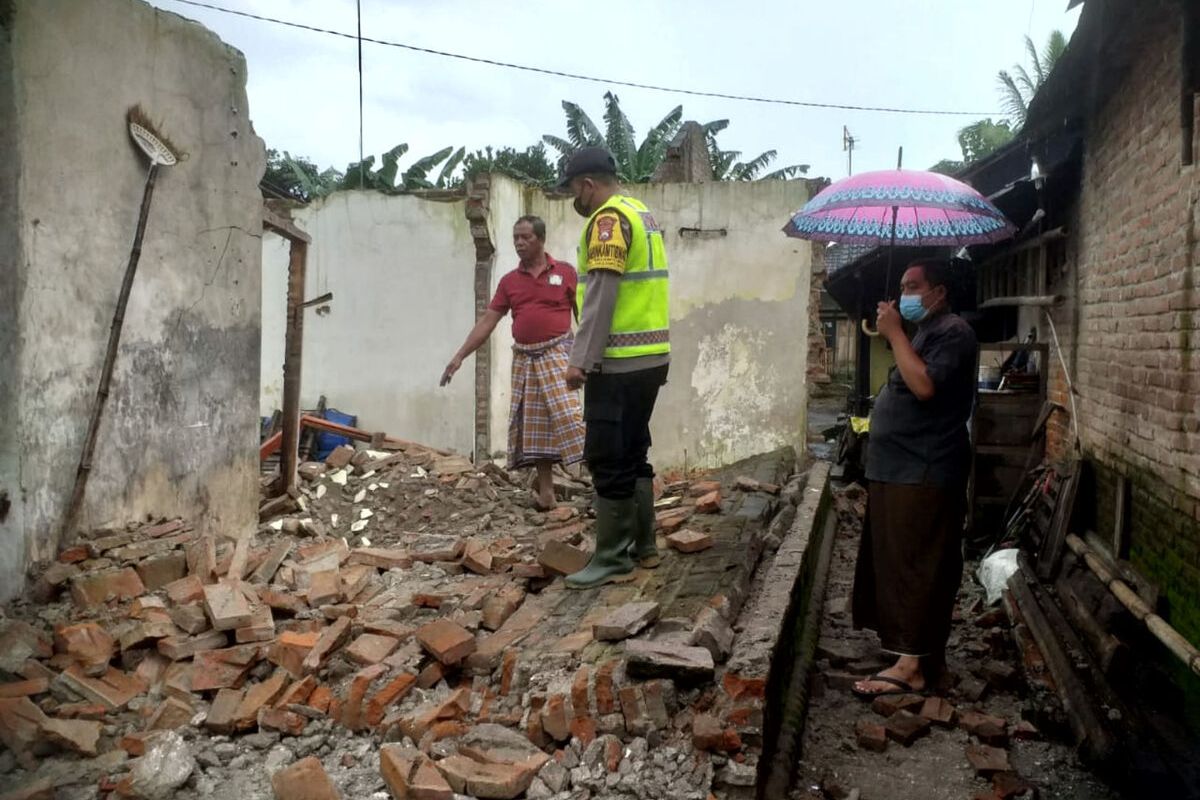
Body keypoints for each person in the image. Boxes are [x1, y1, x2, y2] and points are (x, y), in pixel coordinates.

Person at [851, 258, 978, 697]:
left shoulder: (955, 333)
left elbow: (925, 386)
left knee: (917, 564)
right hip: (899, 468)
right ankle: (908, 652)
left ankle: (912, 668)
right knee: (896, 560)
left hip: (924, 468)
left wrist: (894, 334)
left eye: (913, 286)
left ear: (938, 293)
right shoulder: (926, 332)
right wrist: (901, 335)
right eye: (903, 286)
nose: (904, 294)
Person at [558, 147, 671, 590]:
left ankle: (612, 557)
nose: (575, 199)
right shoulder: (640, 213)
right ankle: (645, 546)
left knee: (607, 456)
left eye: (574, 189)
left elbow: (601, 295)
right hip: (651, 358)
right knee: (633, 451)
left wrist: (580, 360)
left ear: (588, 185)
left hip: (618, 363)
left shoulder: (607, 221)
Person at [441, 215, 585, 510]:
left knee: (571, 418)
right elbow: (488, 321)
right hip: (525, 359)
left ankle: (601, 485)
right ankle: (547, 494)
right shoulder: (509, 282)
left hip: (559, 354)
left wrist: (588, 356)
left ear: (541, 239)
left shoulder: (566, 273)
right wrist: (459, 357)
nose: (519, 243)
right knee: (536, 427)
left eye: (525, 237)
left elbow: (584, 314)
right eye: (516, 238)